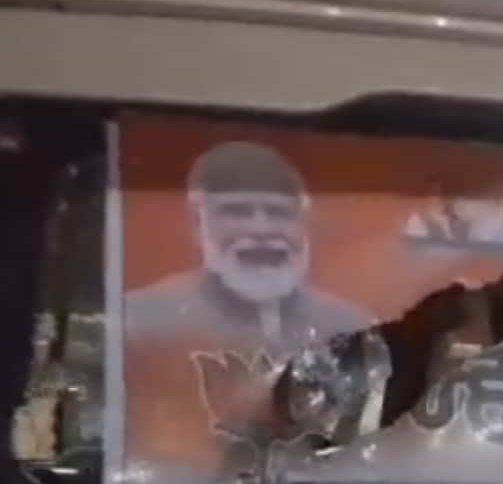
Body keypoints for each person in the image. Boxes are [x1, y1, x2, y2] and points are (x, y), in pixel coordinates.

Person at [123, 140, 371, 353]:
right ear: (199, 223)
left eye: (279, 212)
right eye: (238, 211)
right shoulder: (139, 320)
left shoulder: (351, 326)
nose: (261, 230)